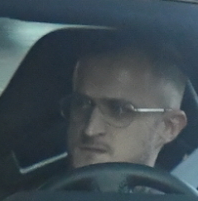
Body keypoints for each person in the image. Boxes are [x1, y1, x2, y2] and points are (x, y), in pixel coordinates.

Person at [59, 47, 189, 171]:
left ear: (169, 127)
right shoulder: (40, 187)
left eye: (118, 110)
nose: (90, 130)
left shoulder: (180, 195)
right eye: (81, 104)